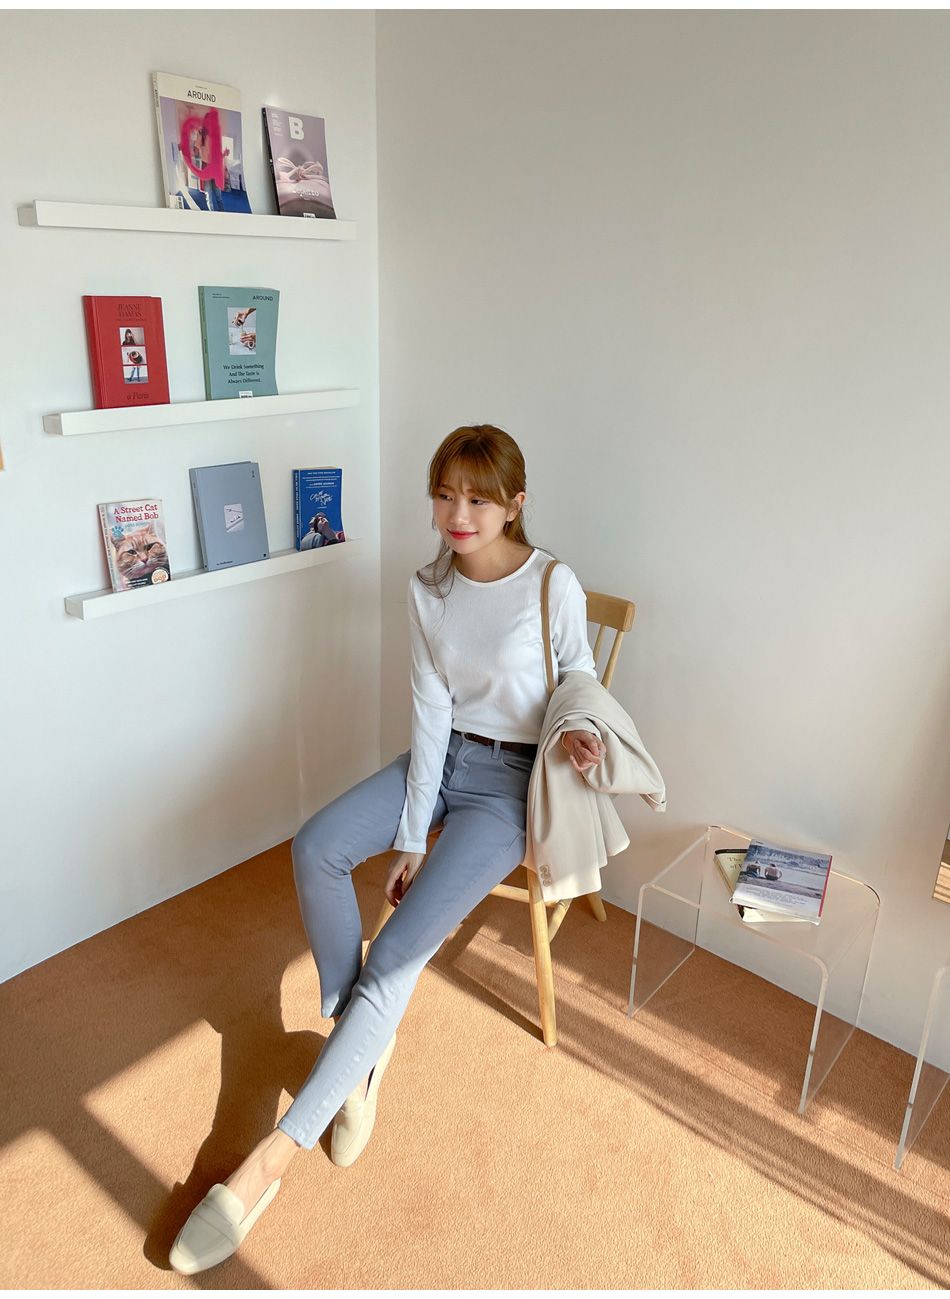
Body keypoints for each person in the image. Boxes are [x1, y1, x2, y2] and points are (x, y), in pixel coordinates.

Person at [169, 424, 607, 1274]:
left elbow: (580, 677)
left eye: (476, 497)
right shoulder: (429, 587)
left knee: (398, 953)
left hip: (512, 786)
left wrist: (583, 734)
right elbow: (432, 709)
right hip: (443, 761)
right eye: (444, 494)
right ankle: (359, 1058)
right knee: (318, 846)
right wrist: (411, 834)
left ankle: (266, 1167)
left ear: (515, 502)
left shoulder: (552, 583)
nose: (457, 513)